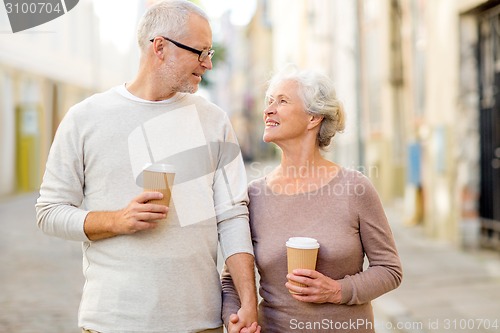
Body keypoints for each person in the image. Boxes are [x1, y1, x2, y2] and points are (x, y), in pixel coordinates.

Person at [35, 1, 260, 332]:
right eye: (200, 52)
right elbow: (49, 212)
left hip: (199, 322)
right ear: (160, 48)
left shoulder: (214, 121)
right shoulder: (85, 118)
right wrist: (117, 220)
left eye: (210, 52)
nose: (208, 64)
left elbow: (232, 215)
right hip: (113, 322)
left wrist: (248, 301)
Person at [221, 66, 403, 332]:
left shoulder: (355, 188)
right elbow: (232, 280)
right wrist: (234, 319)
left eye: (282, 101)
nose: (269, 110)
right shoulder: (254, 196)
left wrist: (336, 290)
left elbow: (389, 270)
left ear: (313, 118)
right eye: (269, 101)